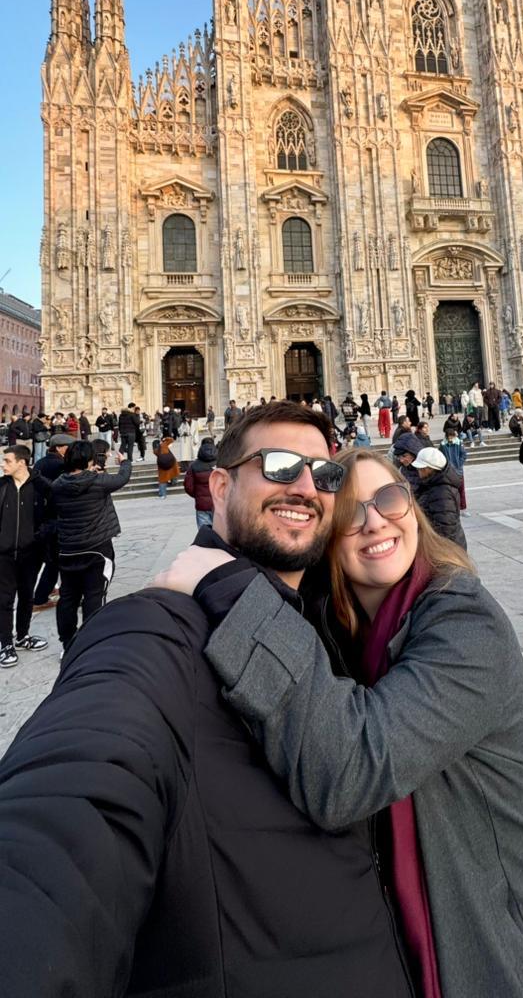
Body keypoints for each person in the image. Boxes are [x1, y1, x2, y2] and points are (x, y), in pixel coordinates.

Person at [0, 402, 418, 998]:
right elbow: (69, 808)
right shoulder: (155, 629)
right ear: (219, 486)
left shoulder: (331, 620)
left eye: (325, 476)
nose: (304, 485)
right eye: (276, 465)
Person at [154, 444, 523, 998]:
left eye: (389, 497)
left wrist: (229, 589)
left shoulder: (464, 623)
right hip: (394, 951)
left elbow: (351, 770)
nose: (373, 520)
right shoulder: (344, 639)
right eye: (348, 513)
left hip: (498, 959)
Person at [40, 440, 132, 651]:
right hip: (97, 549)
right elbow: (122, 477)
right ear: (90, 460)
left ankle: (68, 644)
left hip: (69, 550)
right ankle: (90, 644)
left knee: (68, 597)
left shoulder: (57, 486)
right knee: (94, 596)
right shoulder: (98, 482)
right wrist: (124, 461)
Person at [0, 446, 49, 668]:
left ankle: (22, 636)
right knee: (4, 599)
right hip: (4, 554)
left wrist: (40, 537)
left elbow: (53, 516)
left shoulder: (42, 487)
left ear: (22, 462)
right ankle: (5, 644)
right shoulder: (1, 486)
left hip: (31, 553)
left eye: (7, 461)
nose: (3, 464)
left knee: (27, 596)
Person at [31, 431, 74, 610]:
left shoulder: (41, 462)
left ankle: (47, 592)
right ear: (60, 448)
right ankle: (40, 598)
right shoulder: (60, 466)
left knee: (52, 560)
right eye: (69, 448)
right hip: (55, 518)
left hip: (41, 517)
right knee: (55, 561)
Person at [411, 445, 466, 549]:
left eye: (420, 468)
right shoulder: (432, 484)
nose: (418, 471)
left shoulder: (442, 492)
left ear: (428, 469)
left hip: (446, 551)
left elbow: (446, 529)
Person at [184, 436, 217, 527]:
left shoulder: (194, 466)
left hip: (202, 505)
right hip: (219, 504)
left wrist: (198, 495)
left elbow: (188, 486)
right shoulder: (221, 463)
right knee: (220, 534)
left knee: (204, 533)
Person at [439, 423, 468, 510]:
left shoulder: (458, 443)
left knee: (461, 490)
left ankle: (462, 507)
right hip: (448, 471)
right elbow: (440, 456)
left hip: (458, 471)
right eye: (449, 437)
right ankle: (453, 507)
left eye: (452, 436)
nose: (450, 438)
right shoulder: (443, 445)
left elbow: (464, 455)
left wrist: (459, 464)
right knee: (450, 490)